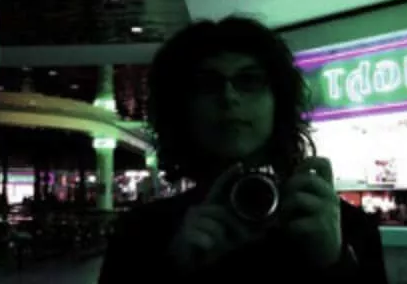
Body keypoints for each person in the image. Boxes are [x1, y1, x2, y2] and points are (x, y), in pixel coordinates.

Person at [98, 16, 388, 281]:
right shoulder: (141, 233)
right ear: (181, 108)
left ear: (279, 100)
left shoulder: (341, 226)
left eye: (249, 80)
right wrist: (171, 270)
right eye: (207, 84)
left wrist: (335, 263)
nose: (229, 97)